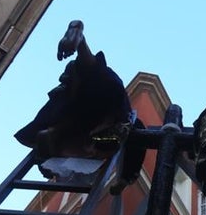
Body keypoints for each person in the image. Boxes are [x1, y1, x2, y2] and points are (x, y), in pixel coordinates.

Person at [14, 21, 133, 172]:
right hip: (97, 108)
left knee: (92, 81)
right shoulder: (83, 135)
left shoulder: (69, 128)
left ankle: (80, 41)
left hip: (88, 106)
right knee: (93, 81)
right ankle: (80, 41)